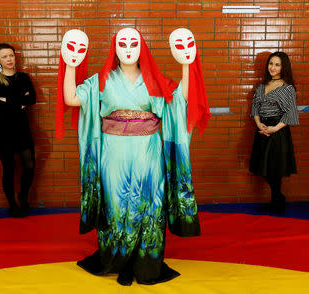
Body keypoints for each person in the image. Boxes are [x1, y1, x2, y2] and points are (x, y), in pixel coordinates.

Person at [56, 28, 210, 285]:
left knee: (149, 203)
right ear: (114, 48)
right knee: (114, 204)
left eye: (133, 43)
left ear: (142, 47)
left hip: (147, 152)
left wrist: (187, 62)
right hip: (112, 153)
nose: (128, 48)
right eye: (122, 43)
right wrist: (70, 64)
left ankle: (145, 262)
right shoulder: (100, 81)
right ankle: (115, 258)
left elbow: (182, 98)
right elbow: (71, 99)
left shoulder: (155, 80)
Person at [0, 43, 36, 218]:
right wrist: (19, 101)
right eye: (5, 57)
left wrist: (6, 100)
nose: (9, 59)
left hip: (22, 128)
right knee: (8, 168)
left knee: (29, 165)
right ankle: (13, 204)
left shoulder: (23, 77)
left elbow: (33, 99)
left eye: (11, 55)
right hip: (3, 129)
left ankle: (23, 197)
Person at [249, 51, 299, 212]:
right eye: (271, 63)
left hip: (278, 130)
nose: (273, 67)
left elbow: (290, 113)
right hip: (262, 129)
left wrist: (274, 128)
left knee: (274, 168)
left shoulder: (287, 88)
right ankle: (278, 198)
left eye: (277, 64)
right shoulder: (262, 85)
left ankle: (277, 200)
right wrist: (259, 124)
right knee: (263, 166)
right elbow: (255, 107)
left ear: (283, 67)